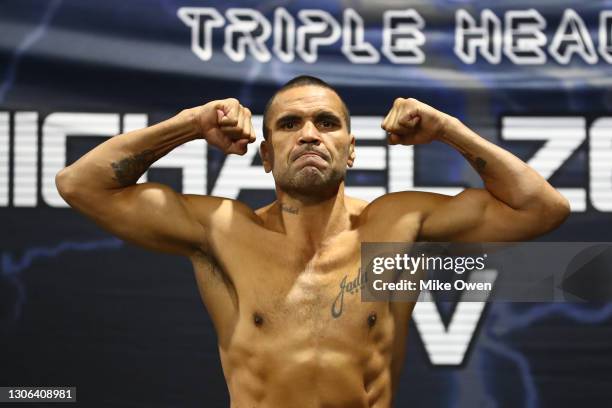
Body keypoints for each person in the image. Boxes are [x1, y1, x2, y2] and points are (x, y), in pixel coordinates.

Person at [55, 75, 569, 407]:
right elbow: (80, 184)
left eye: (327, 123)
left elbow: (543, 209)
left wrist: (448, 128)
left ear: (350, 153)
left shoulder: (395, 228)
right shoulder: (223, 231)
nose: (308, 134)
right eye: (289, 124)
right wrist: (192, 124)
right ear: (265, 154)